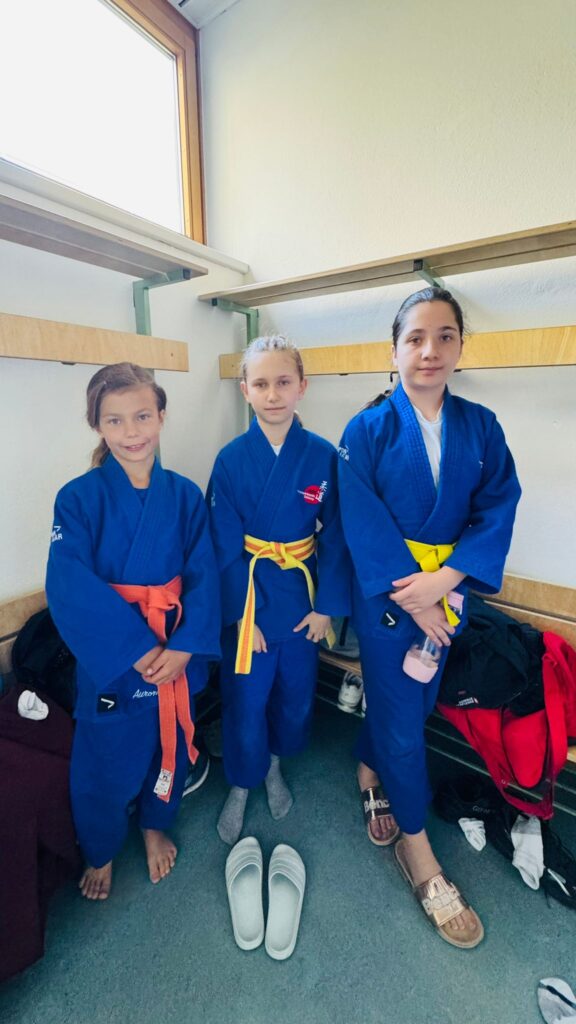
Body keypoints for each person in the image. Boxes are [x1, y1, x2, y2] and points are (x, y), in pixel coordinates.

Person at [338, 287, 521, 949]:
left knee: (413, 706)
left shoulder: (482, 427)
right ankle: (418, 852)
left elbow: (498, 504)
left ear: (461, 347)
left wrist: (446, 582)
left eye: (445, 336)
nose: (430, 350)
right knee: (403, 721)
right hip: (388, 600)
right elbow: (358, 517)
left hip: (449, 594)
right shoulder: (365, 430)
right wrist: (412, 593)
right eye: (415, 337)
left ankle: (368, 764)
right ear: (394, 350)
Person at [46, 363, 220, 900]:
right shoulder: (77, 498)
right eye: (115, 420)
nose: (132, 432)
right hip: (120, 659)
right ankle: (100, 847)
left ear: (162, 416)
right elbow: (69, 584)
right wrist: (138, 649)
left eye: (143, 416)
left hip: (175, 648)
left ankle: (153, 825)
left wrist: (186, 646)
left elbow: (205, 573)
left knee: (168, 747)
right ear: (97, 425)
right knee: (105, 761)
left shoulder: (185, 495)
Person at [208, 336, 350, 845]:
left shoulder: (323, 456)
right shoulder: (230, 460)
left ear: (301, 387)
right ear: (245, 389)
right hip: (250, 603)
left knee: (294, 697)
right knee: (245, 700)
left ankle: (272, 766)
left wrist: (327, 608)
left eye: (283, 382)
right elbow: (222, 546)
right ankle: (242, 782)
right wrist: (241, 618)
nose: (273, 394)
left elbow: (336, 535)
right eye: (262, 383)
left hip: (301, 603)